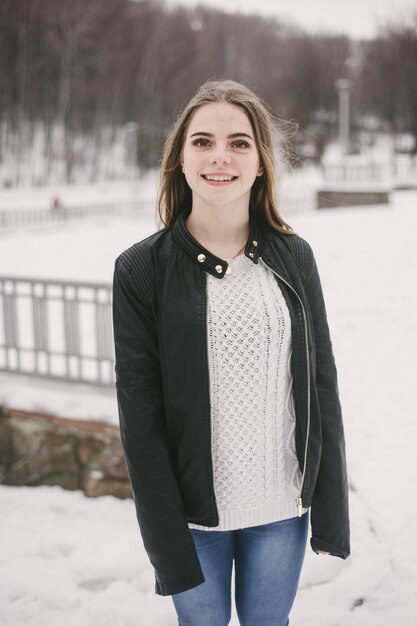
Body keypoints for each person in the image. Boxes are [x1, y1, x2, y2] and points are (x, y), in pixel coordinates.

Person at [112, 79, 350, 626]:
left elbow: (321, 385)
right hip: (192, 516)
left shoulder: (294, 257)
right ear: (180, 158)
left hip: (280, 507)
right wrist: (164, 531)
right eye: (202, 141)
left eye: (239, 142)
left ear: (262, 161)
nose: (220, 156)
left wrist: (330, 510)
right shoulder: (141, 270)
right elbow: (139, 417)